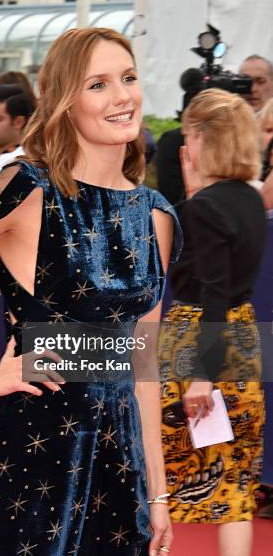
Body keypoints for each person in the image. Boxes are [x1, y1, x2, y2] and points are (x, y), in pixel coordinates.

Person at [0, 27, 182, 555]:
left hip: (119, 462)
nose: (121, 97)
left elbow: (143, 366)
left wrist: (157, 494)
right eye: (98, 85)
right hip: (35, 453)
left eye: (129, 78)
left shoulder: (156, 213)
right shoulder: (26, 187)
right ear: (65, 102)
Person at [158, 89, 266, 556]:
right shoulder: (250, 199)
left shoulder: (206, 207)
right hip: (240, 343)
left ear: (204, 138)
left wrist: (202, 376)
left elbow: (210, 292)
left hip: (196, 348)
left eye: (188, 136)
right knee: (234, 481)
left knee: (158, 469)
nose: (185, 148)